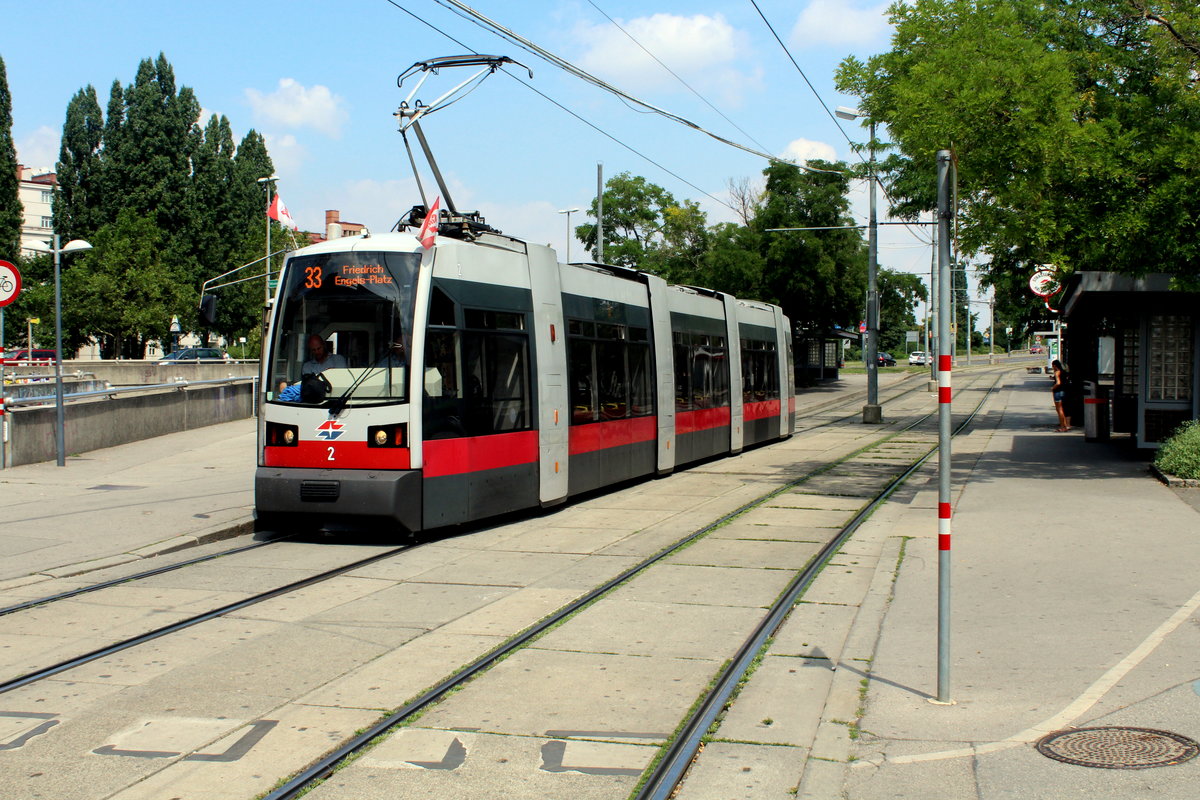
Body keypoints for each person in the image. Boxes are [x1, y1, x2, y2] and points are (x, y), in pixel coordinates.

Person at [1051, 359, 1071, 432]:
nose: (1052, 367)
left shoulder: (1057, 372)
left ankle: (1063, 426)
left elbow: (1058, 383)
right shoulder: (1064, 372)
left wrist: (1052, 388)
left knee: (1059, 410)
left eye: (1053, 366)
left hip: (1058, 392)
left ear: (1055, 366)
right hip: (1064, 391)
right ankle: (1067, 425)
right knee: (1065, 408)